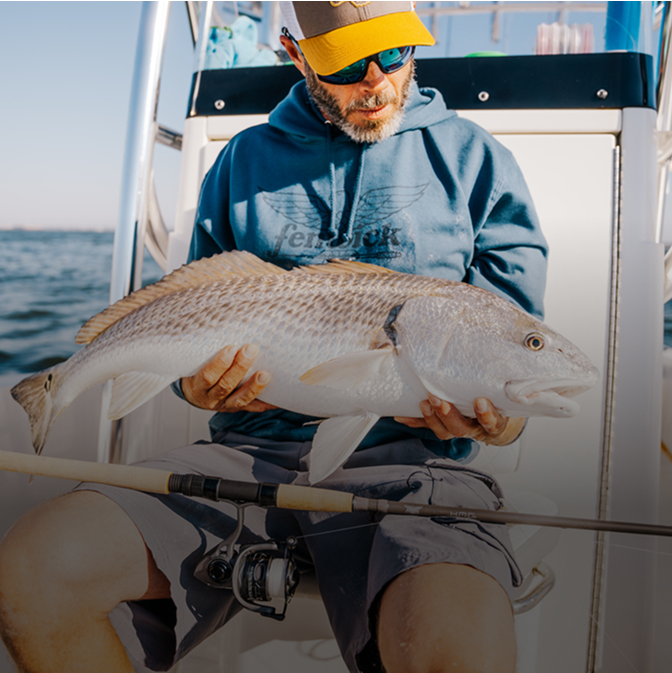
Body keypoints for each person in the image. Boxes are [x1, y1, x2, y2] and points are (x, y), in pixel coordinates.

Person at [0, 2, 548, 672]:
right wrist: (201, 390)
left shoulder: (477, 163)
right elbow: (190, 328)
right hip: (242, 463)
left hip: (417, 473)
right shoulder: (242, 161)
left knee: (456, 652)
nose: (376, 79)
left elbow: (518, 367)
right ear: (297, 53)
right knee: (28, 573)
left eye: (395, 53)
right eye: (346, 62)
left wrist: (498, 424)